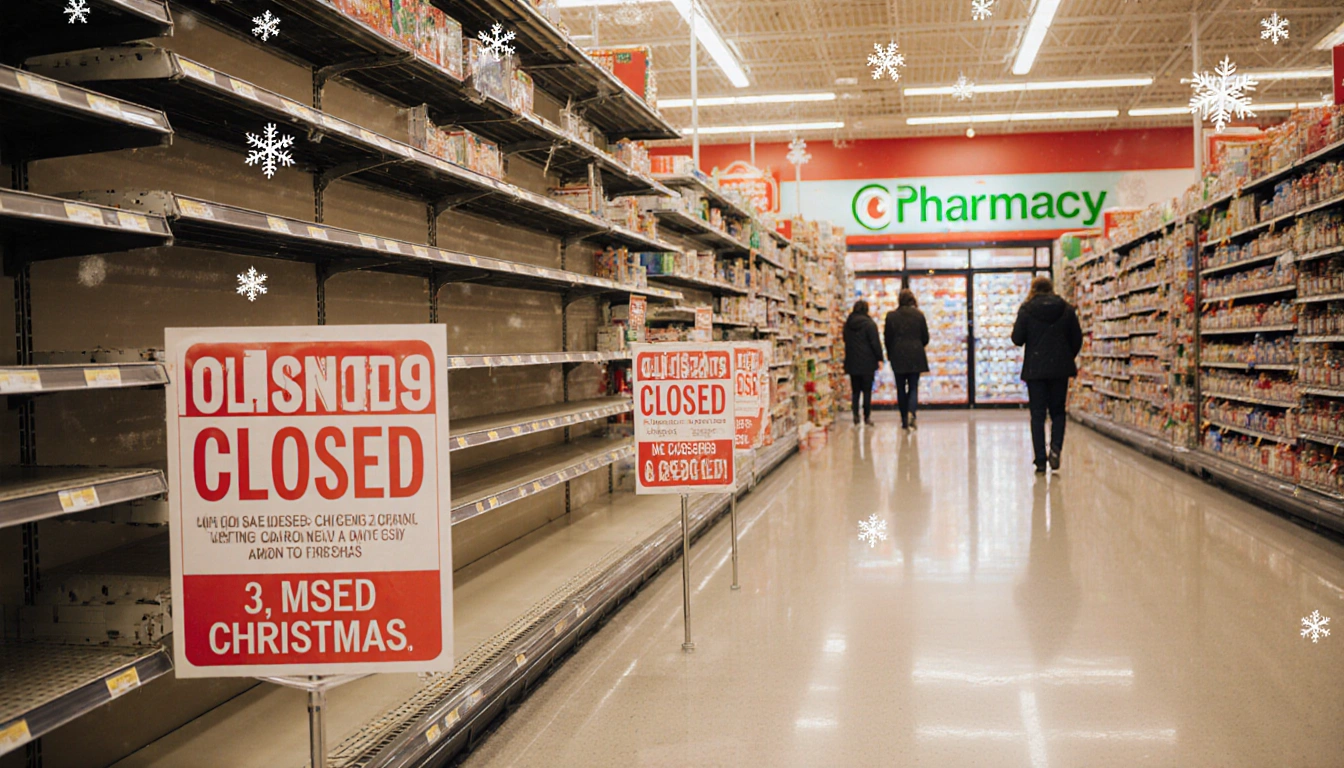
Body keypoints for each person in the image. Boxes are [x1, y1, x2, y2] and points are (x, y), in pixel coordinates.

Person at [1011, 275, 1083, 474]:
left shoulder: (1026, 310)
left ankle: (1040, 460)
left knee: (1037, 414)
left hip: (1036, 370)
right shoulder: (1066, 309)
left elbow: (1017, 339)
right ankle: (1056, 449)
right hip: (1060, 369)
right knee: (1058, 411)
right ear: (1051, 289)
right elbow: (1077, 338)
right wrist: (1067, 356)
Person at [883, 288, 930, 430]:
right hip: (916, 355)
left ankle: (904, 418)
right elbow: (925, 338)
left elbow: (887, 338)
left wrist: (890, 353)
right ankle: (912, 412)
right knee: (914, 386)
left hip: (898, 355)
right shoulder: (919, 315)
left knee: (901, 388)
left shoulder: (891, 316)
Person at [843, 299, 884, 426]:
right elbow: (875, 343)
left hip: (852, 361)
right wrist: (879, 358)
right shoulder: (870, 324)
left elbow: (845, 340)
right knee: (867, 391)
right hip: (867, 362)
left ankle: (855, 416)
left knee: (855, 391)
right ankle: (867, 417)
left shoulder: (848, 324)